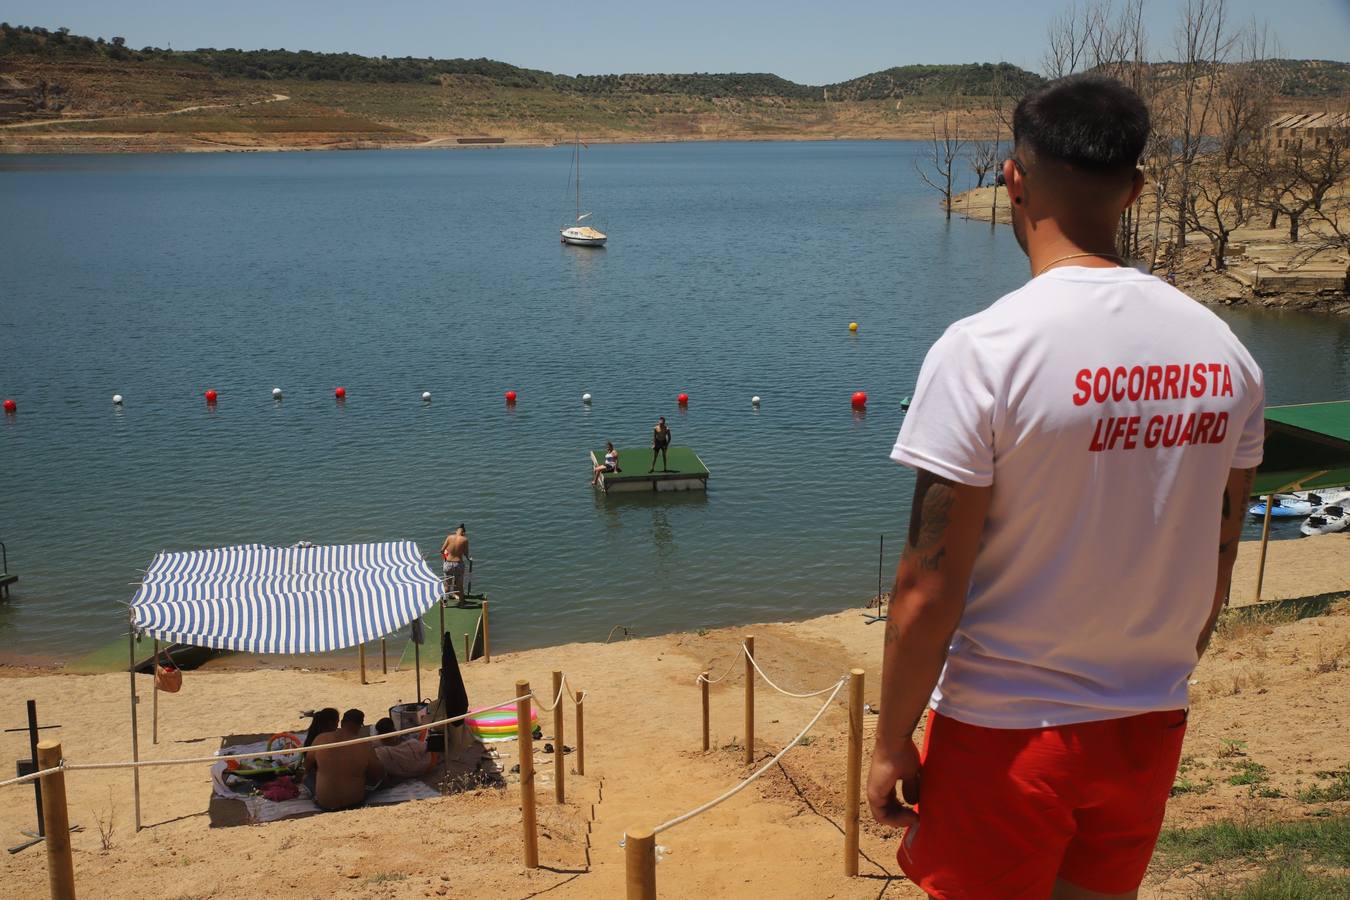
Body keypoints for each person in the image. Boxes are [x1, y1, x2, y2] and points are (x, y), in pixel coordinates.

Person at [867, 74, 1264, 899]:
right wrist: (1151, 673)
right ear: (1136, 188)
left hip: (1004, 736)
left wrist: (891, 740)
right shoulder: (1227, 356)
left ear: (1013, 177)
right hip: (1148, 726)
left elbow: (923, 589)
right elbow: (1217, 562)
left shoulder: (985, 351)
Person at [307, 708, 385, 812]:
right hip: (354, 801)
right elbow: (378, 774)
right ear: (359, 726)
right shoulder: (364, 744)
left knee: (308, 779)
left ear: (342, 723)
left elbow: (307, 766)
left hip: (325, 803)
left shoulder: (321, 738)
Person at [372, 717, 439, 779]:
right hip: (424, 767)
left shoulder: (380, 752)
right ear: (394, 730)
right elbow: (428, 747)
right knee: (426, 728)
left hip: (402, 773)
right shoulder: (412, 744)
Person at [440, 524, 469, 599]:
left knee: (447, 585)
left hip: (448, 563)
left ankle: (445, 603)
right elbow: (466, 553)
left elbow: (442, 550)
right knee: (459, 585)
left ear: (456, 531)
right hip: (458, 564)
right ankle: (462, 603)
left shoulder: (450, 537)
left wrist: (445, 559)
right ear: (463, 533)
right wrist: (469, 558)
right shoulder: (465, 539)